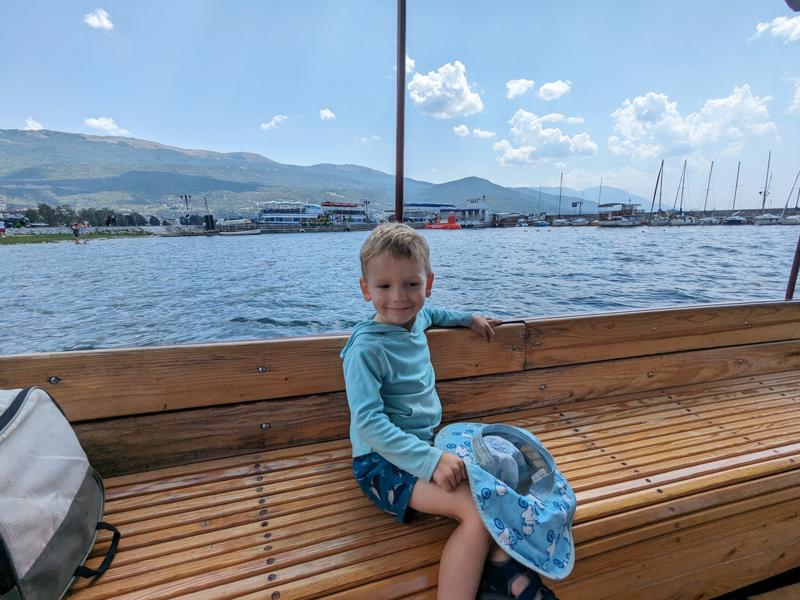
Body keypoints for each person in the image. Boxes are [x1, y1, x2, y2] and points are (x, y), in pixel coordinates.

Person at [341, 223, 550, 600]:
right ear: (365, 289)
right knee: (475, 509)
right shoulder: (364, 350)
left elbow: (433, 314)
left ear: (428, 283)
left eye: (411, 284)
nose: (399, 298)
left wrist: (469, 319)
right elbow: (369, 423)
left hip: (423, 447)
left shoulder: (415, 318)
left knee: (497, 478)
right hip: (382, 464)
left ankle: (501, 568)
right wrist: (431, 461)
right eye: (384, 286)